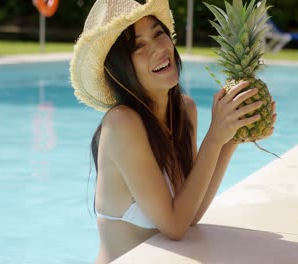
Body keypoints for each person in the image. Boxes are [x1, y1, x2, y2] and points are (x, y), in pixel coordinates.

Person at [69, 0, 276, 263]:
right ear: (121, 68)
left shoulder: (184, 110)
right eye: (139, 46)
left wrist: (231, 137)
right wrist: (214, 137)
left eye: (158, 34)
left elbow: (191, 212)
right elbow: (175, 226)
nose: (157, 48)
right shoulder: (122, 123)